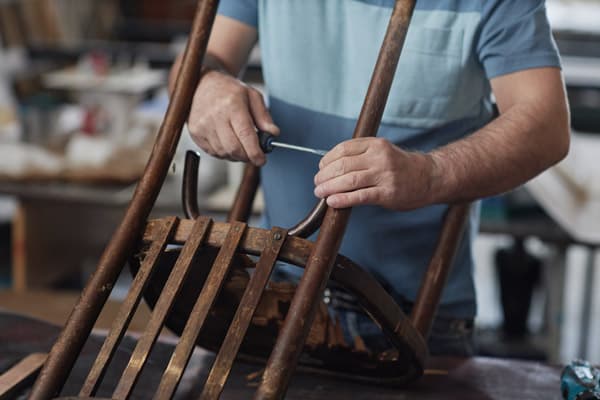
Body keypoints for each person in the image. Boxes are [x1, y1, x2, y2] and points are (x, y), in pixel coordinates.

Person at [170, 0, 569, 356]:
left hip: (410, 316)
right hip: (274, 287)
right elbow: (204, 59)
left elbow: (547, 125)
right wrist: (204, 85)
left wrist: (429, 174)